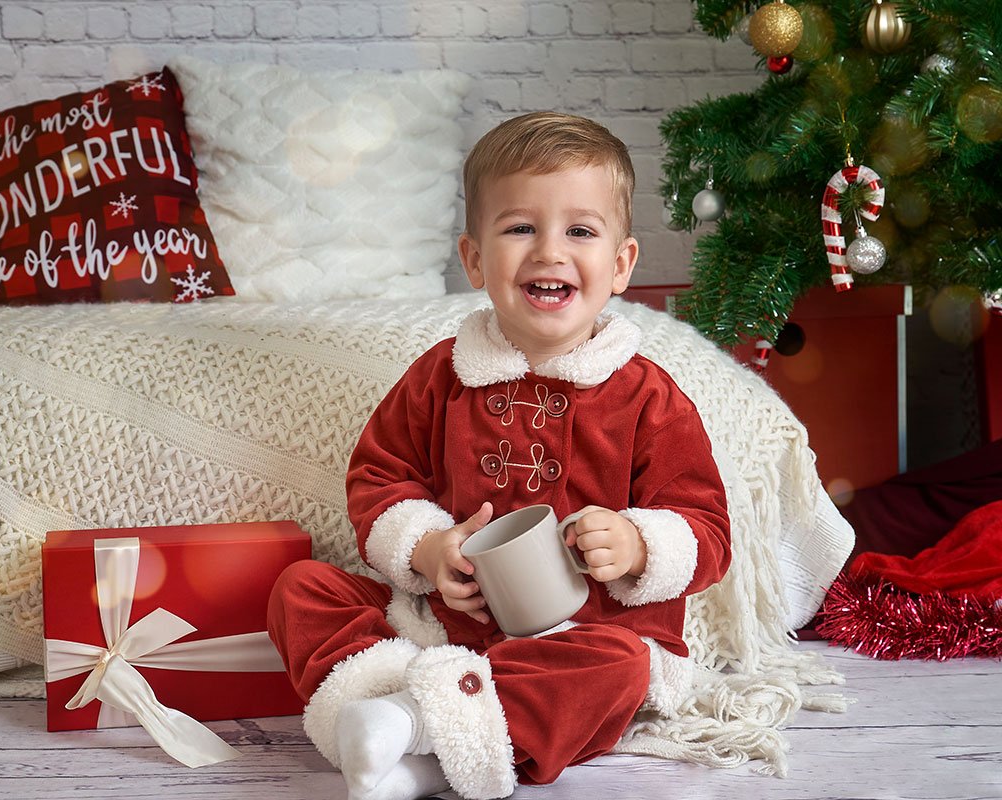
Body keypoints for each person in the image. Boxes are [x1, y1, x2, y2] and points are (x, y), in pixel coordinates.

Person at [267, 111, 731, 800]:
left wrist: (637, 544)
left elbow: (707, 528)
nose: (549, 251)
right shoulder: (441, 376)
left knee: (622, 670)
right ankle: (401, 720)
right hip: (446, 632)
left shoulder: (647, 397)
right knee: (301, 588)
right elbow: (379, 476)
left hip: (582, 637)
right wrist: (427, 549)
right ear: (476, 259)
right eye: (520, 228)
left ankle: (413, 738)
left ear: (622, 264)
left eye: (579, 230)